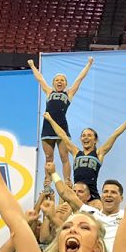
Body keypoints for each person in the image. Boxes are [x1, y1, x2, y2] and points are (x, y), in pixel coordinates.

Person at [31, 57, 93, 185]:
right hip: (47, 128)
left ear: (65, 84)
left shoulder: (68, 94)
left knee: (64, 157)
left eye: (62, 80)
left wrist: (88, 64)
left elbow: (79, 79)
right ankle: (47, 181)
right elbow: (40, 79)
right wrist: (32, 65)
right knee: (49, 157)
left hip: (62, 129)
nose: (60, 82)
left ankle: (68, 182)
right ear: (53, 83)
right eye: (57, 80)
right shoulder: (49, 92)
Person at [44, 111, 126, 195]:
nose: (86, 137)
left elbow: (115, 134)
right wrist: (50, 119)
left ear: (95, 140)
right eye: (83, 136)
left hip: (92, 194)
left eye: (89, 135)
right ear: (80, 139)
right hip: (77, 193)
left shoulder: (99, 153)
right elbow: (62, 135)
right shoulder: (76, 152)